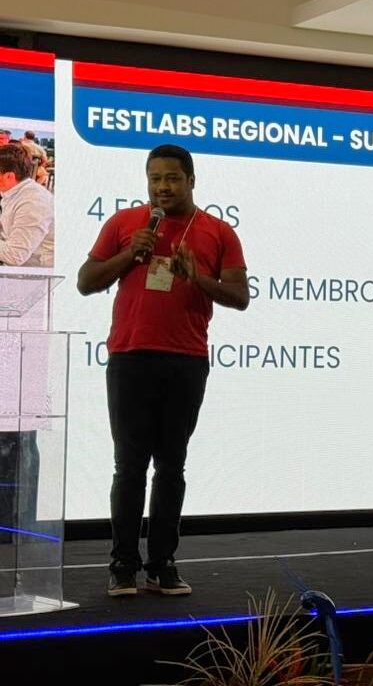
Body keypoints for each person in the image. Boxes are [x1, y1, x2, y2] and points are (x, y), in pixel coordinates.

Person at [77, 144, 249, 597]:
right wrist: (128, 257)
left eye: (171, 178)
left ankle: (162, 564)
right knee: (128, 467)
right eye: (154, 179)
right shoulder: (124, 225)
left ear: (191, 180)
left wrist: (198, 278)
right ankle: (122, 566)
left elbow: (240, 296)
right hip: (130, 357)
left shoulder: (218, 232)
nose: (162, 187)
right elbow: (85, 282)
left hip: (186, 362)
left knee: (171, 467)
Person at [0, 144, 55, 267]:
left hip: (38, 273)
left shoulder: (33, 202)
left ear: (9, 176)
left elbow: (15, 255)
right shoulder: (14, 191)